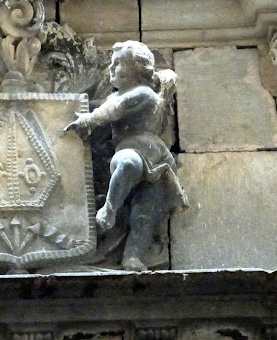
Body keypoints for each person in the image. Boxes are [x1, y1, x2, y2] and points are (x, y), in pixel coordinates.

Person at [65, 41, 187, 271]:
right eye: (111, 63)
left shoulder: (142, 93)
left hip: (151, 153)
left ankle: (131, 253)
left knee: (144, 213)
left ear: (137, 68)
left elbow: (113, 110)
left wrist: (87, 119)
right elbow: (101, 106)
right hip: (129, 150)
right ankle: (112, 212)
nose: (111, 68)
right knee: (127, 166)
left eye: (118, 63)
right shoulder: (114, 97)